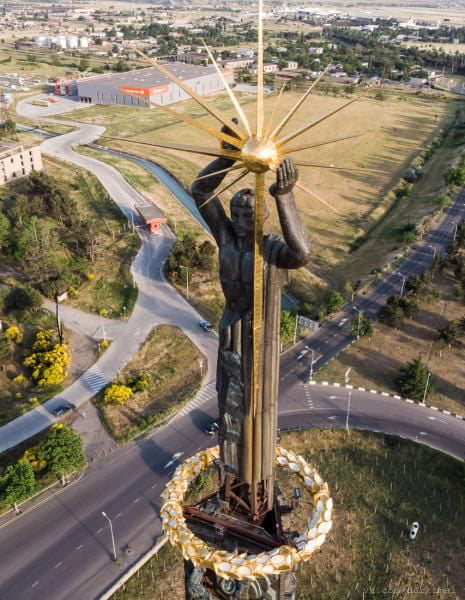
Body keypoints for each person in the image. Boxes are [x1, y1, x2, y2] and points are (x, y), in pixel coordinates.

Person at [191, 122, 311, 506]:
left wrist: (284, 198)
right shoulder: (224, 237)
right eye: (237, 212)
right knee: (229, 402)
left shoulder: (271, 248)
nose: (242, 219)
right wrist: (226, 159)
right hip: (230, 328)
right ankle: (233, 474)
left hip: (259, 337)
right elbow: (200, 190)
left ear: (260, 216)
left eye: (250, 213)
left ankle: (254, 482)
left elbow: (302, 253)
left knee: (254, 406)